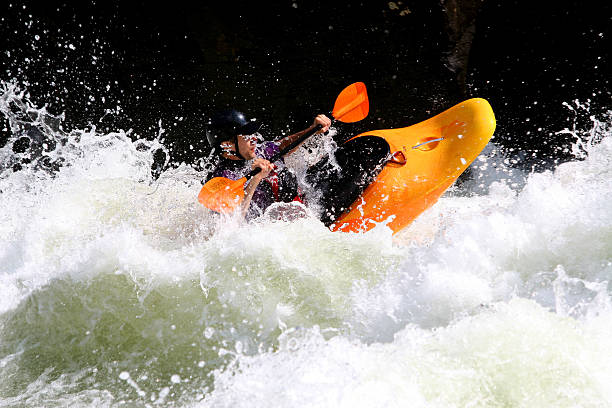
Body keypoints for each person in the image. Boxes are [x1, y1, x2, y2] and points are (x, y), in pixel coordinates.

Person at [205, 109, 331, 220]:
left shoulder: (259, 151)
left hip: (301, 211)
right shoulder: (221, 180)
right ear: (226, 145)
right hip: (268, 229)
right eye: (246, 135)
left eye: (252, 133)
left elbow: (282, 146)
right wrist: (256, 179)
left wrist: (313, 130)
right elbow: (234, 224)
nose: (254, 139)